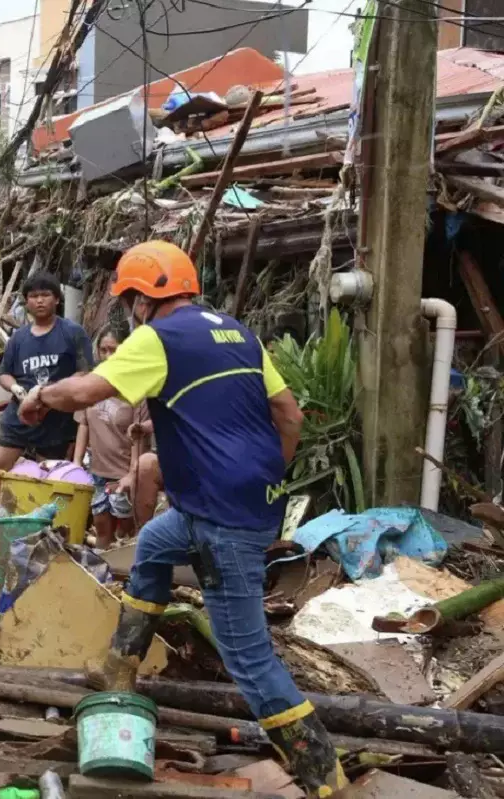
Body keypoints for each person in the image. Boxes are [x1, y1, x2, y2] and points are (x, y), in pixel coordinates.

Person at [17, 241, 344, 797]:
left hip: (223, 520)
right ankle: (120, 667)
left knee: (248, 657)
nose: (128, 308)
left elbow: (87, 390)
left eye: (128, 299)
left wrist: (39, 395)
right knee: (155, 547)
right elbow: (288, 414)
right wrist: (262, 479)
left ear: (142, 298)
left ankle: (326, 778)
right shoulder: (238, 332)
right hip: (213, 508)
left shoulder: (159, 337)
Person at [0, 273, 94, 498]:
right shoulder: (18, 338)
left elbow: (85, 372)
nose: (40, 300)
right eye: (33, 296)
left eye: (45, 295)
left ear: (57, 299)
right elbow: (4, 374)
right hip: (19, 414)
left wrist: (53, 395)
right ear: (26, 302)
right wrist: (17, 390)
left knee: (51, 478)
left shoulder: (73, 333)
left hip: (57, 418)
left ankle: (45, 527)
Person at [72, 331, 150, 548]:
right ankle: (100, 573)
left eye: (114, 350)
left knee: (126, 530)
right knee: (101, 525)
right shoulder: (91, 385)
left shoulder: (137, 389)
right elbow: (84, 424)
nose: (108, 356)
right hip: (97, 471)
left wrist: (132, 473)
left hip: (123, 473)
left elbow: (139, 436)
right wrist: (77, 463)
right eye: (103, 350)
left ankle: (125, 572)